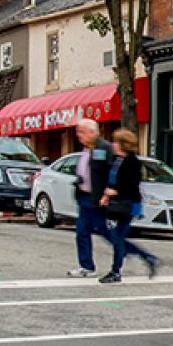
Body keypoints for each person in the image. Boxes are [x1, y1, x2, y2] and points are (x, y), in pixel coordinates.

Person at [98, 128, 160, 283]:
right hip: (116, 203)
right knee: (115, 237)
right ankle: (148, 258)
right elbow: (112, 181)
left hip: (128, 204)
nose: (113, 144)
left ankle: (116, 271)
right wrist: (106, 195)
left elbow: (132, 186)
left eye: (116, 142)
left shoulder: (133, 163)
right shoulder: (116, 160)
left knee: (117, 238)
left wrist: (114, 192)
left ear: (123, 144)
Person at [67, 119, 113, 278]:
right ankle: (86, 266)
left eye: (82, 132)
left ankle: (123, 252)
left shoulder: (104, 148)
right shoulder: (86, 149)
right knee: (82, 231)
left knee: (104, 230)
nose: (78, 135)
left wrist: (108, 192)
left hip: (98, 198)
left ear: (92, 132)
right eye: (78, 132)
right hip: (84, 196)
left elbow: (112, 171)